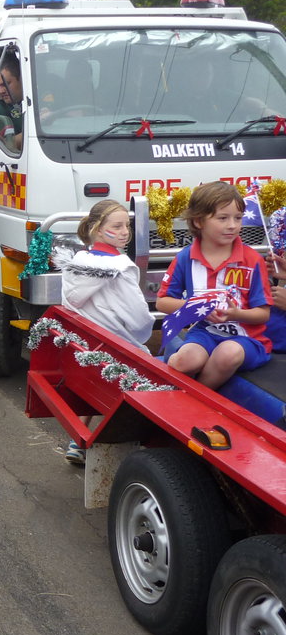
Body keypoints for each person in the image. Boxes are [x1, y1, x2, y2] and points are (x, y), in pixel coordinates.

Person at [54, 199, 154, 464]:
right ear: (98, 229)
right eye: (117, 226)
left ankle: (77, 441)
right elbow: (138, 320)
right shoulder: (121, 268)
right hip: (115, 350)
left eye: (127, 226)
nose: (124, 232)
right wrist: (150, 331)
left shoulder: (79, 259)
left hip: (86, 347)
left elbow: (71, 303)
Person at [157, 181, 272, 390]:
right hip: (204, 332)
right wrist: (195, 307)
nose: (232, 225)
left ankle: (194, 402)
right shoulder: (185, 258)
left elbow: (263, 314)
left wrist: (236, 314)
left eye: (238, 218)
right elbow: (162, 303)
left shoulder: (253, 259)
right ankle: (169, 393)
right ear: (199, 221)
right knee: (184, 361)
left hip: (248, 340)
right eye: (222, 218)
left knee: (227, 354)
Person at [0, 54, 24, 151]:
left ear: (22, 79)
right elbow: (5, 145)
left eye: (6, 84)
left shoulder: (38, 100)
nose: (1, 91)